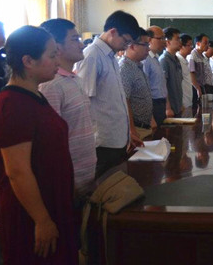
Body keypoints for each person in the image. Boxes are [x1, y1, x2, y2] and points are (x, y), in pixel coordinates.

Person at [0, 25, 77, 263]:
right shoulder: (11, 105)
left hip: (52, 201)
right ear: (28, 61)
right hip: (30, 214)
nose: (58, 60)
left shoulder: (35, 95)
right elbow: (17, 171)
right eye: (52, 55)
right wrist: (42, 220)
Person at [74, 10, 142, 178]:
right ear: (113, 31)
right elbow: (84, 100)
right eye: (126, 41)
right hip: (103, 143)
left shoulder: (110, 56)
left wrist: (128, 132)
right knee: (104, 187)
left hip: (117, 139)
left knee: (116, 184)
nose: (126, 46)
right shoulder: (92, 55)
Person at [39, 18, 96, 197]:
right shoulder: (51, 85)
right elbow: (50, 141)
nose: (81, 45)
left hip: (86, 177)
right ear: (56, 47)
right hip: (68, 180)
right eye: (75, 39)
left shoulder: (74, 79)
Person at [120, 28, 154, 141]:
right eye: (145, 45)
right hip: (136, 130)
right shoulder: (125, 68)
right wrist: (132, 130)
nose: (148, 49)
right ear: (132, 46)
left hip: (144, 126)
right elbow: (125, 100)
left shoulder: (138, 66)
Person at [143, 26, 169, 127]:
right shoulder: (146, 59)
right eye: (160, 38)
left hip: (161, 104)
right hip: (153, 105)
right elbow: (144, 90)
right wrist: (150, 117)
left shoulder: (156, 58)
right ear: (149, 40)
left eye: (164, 38)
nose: (164, 42)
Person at [160, 27, 183, 117]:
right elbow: (163, 86)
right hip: (171, 110)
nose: (180, 42)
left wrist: (181, 104)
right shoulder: (164, 60)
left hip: (178, 107)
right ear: (168, 42)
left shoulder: (176, 59)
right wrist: (168, 108)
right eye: (177, 39)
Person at [189, 34, 213, 99]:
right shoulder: (192, 55)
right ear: (198, 43)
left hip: (202, 87)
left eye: (208, 43)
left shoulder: (203, 57)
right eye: (205, 43)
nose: (207, 46)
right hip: (195, 88)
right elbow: (191, 73)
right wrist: (197, 88)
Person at [176, 33, 194, 110]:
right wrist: (181, 104)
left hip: (188, 101)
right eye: (189, 45)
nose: (192, 48)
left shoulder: (185, 60)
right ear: (181, 46)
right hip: (182, 103)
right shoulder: (177, 60)